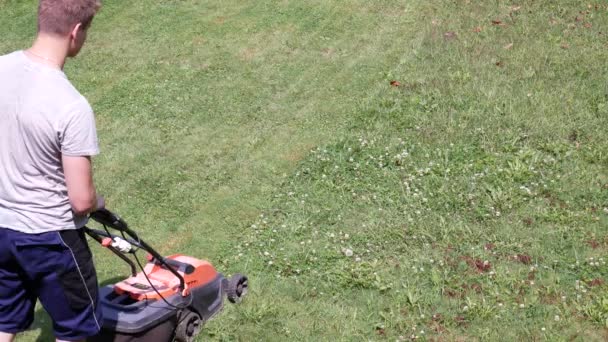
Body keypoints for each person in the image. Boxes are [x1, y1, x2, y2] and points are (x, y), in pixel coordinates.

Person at [0, 1, 105, 341]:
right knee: (76, 330)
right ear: (76, 32)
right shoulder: (70, 106)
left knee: (4, 321)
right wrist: (96, 201)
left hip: (2, 230)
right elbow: (80, 200)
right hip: (51, 240)